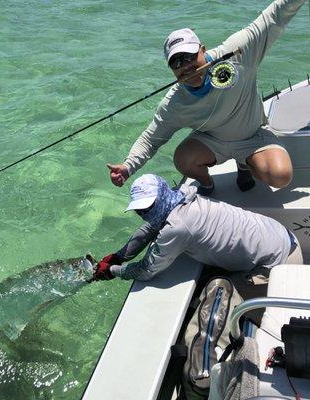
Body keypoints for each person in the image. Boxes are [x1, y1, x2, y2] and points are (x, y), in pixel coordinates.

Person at [107, 0, 306, 195]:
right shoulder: (175, 103)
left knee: (281, 175)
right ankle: (206, 183)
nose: (185, 66)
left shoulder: (236, 53)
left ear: (202, 49)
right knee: (183, 159)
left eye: (189, 57)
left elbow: (274, 16)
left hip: (253, 136)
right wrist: (127, 167)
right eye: (176, 63)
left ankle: (244, 164)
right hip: (213, 143)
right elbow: (151, 140)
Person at [94, 174, 303, 305]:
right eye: (139, 210)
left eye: (147, 207)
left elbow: (147, 270)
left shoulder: (177, 228)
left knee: (214, 302)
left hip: (278, 267)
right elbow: (149, 227)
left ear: (161, 198)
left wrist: (113, 271)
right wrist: (120, 255)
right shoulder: (184, 195)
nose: (144, 213)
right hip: (284, 237)